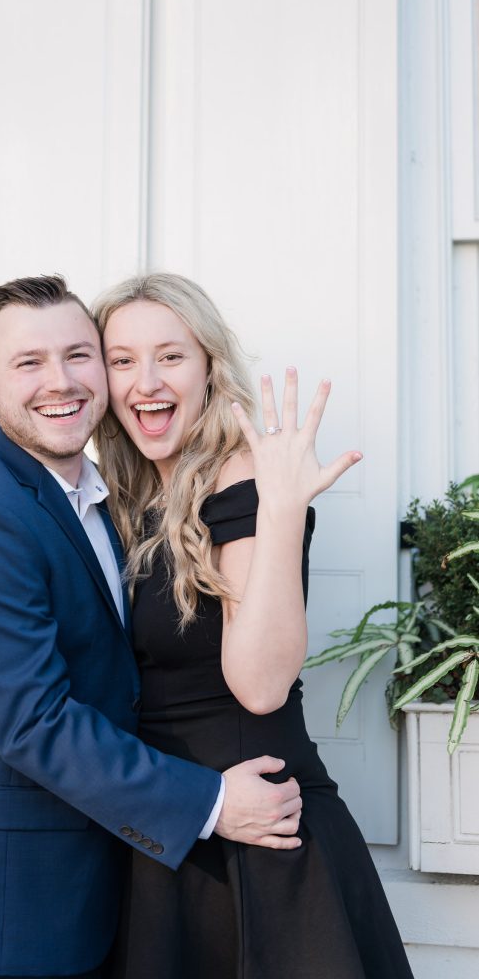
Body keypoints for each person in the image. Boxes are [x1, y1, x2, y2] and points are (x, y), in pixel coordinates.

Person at [0, 275, 307, 979]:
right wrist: (211, 802)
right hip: (11, 914)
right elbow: (35, 723)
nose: (59, 382)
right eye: (28, 363)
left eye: (79, 356)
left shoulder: (106, 494)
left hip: (112, 893)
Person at [92, 272, 414, 979]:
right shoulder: (125, 488)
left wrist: (279, 508)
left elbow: (262, 684)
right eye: (122, 360)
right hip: (172, 829)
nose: (145, 380)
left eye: (170, 356)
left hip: (259, 845)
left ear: (208, 365)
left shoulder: (244, 481)